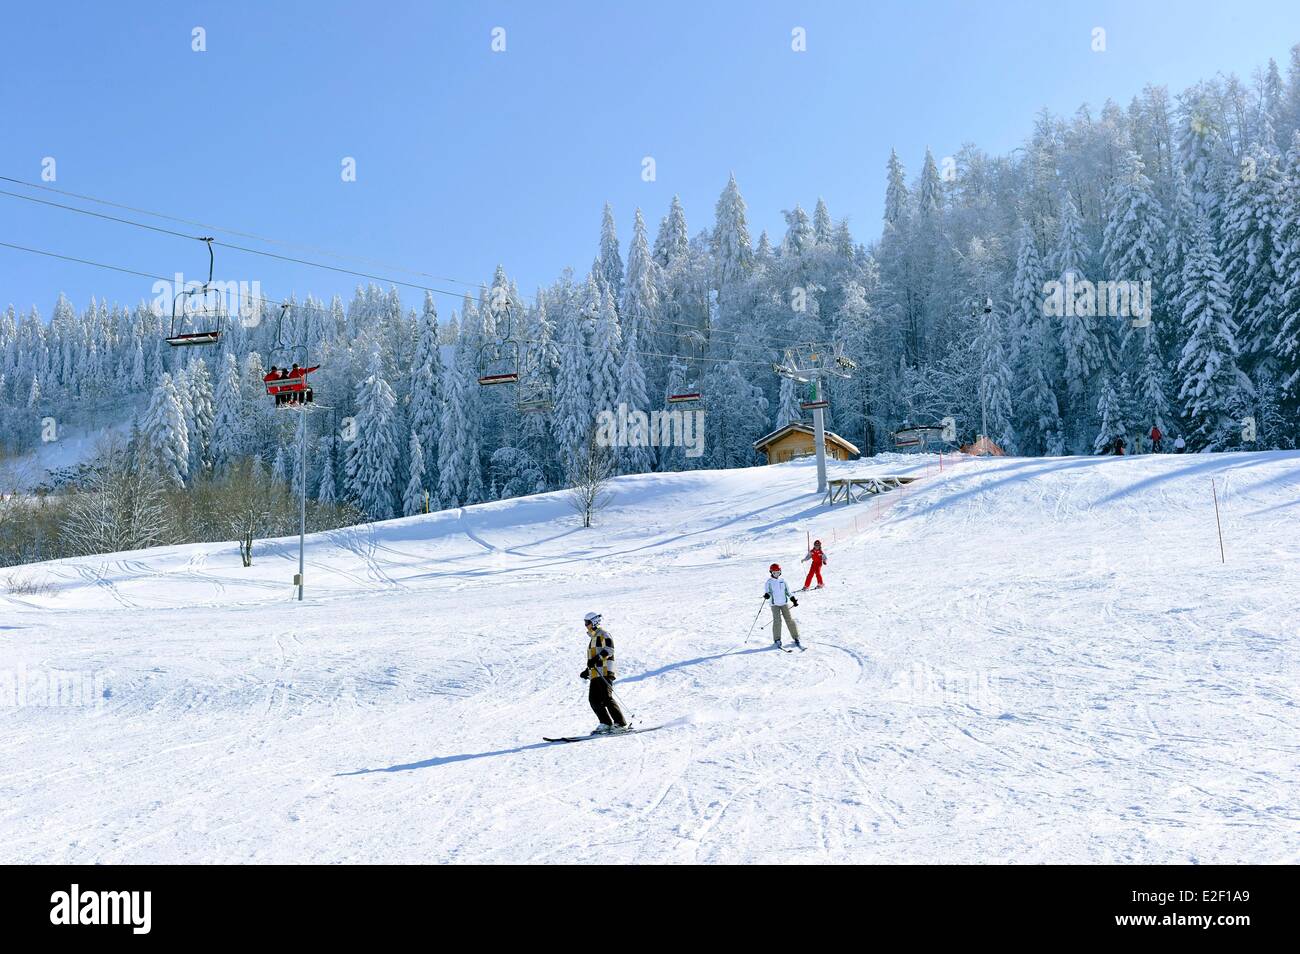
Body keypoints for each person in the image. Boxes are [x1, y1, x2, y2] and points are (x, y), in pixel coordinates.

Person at [579, 612, 629, 735]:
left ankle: (621, 724)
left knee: (607, 698)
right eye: (585, 623)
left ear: (594, 622)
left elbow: (609, 650)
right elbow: (593, 658)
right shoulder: (593, 638)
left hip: (605, 671)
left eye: (587, 623)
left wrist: (596, 660)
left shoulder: (603, 634)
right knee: (594, 700)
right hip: (596, 673)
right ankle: (606, 723)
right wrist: (587, 670)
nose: (586, 625)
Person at [762, 563, 801, 649]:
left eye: (778, 572)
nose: (776, 574)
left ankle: (796, 636)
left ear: (780, 572)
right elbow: (768, 592)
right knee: (777, 621)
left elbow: (788, 592)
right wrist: (767, 595)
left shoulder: (783, 581)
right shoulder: (769, 582)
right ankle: (777, 639)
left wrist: (793, 599)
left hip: (784, 603)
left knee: (789, 620)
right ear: (771, 572)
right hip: (774, 604)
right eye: (774, 572)